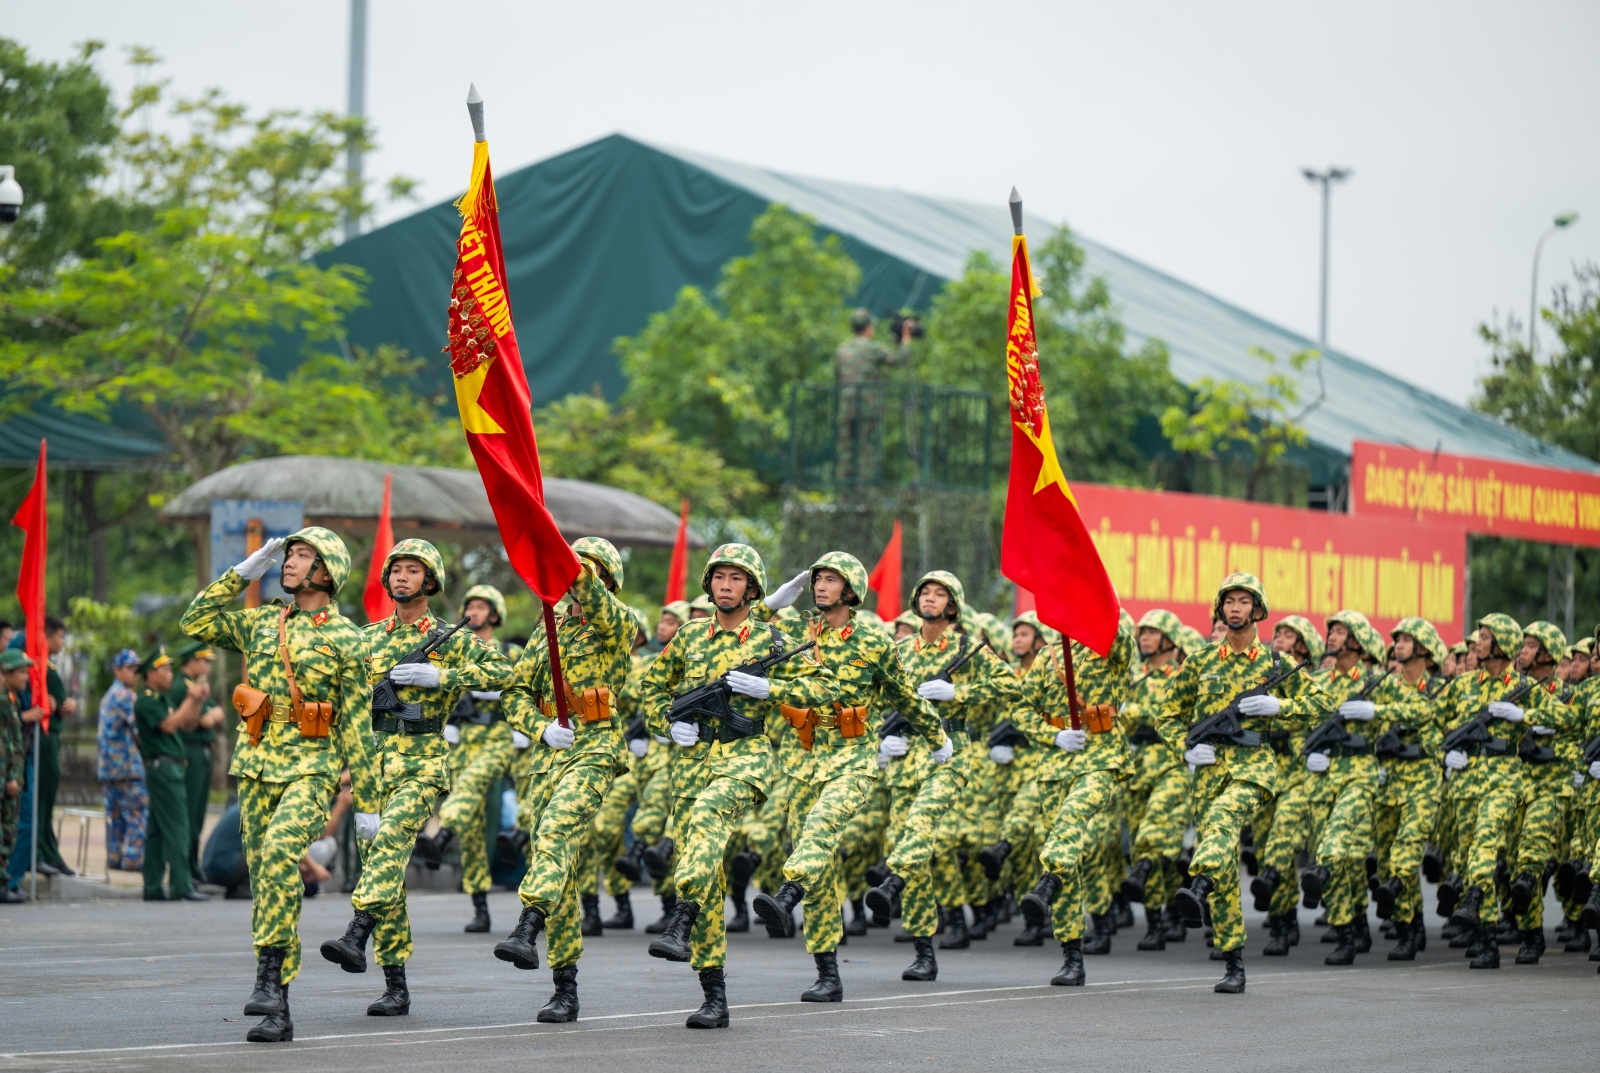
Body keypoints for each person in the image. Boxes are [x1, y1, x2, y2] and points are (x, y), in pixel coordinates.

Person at [181, 527, 381, 1043]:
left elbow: (358, 724)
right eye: (289, 555)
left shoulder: (347, 638)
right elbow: (195, 621)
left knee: (277, 857)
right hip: (256, 765)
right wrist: (244, 571)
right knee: (268, 880)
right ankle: (278, 1005)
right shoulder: (263, 621)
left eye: (302, 556)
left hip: (312, 768)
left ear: (326, 571)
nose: (289, 563)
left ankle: (267, 974)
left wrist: (368, 804)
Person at [639, 544, 837, 1029]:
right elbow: (650, 690)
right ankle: (714, 996)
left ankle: (681, 915)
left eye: (736, 578)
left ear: (752, 589)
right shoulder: (688, 637)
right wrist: (667, 725)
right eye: (719, 578)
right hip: (690, 764)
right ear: (709, 585)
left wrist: (773, 690)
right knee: (703, 867)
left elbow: (825, 687)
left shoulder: (772, 639)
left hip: (744, 758)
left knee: (707, 823)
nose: (726, 586)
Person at [320, 539, 511, 1018]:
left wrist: (442, 679)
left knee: (388, 849)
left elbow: (506, 671)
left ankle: (356, 930)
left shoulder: (452, 637)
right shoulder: (366, 637)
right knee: (386, 875)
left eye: (413, 571)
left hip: (422, 761)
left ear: (430, 581)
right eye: (397, 570)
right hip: (372, 765)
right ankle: (395, 985)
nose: (403, 577)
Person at [752, 552, 943, 1003]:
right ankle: (827, 972)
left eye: (830, 580)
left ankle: (787, 890)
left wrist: (938, 739)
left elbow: (905, 696)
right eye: (817, 578)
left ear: (851, 589)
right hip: (802, 756)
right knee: (819, 865)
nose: (820, 586)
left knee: (819, 834)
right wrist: (770, 605)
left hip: (853, 754)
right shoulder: (793, 630)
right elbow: (739, 635)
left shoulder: (874, 640)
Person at [1157, 573, 1327, 993]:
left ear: (1257, 610)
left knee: (1224, 818)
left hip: (1253, 765)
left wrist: (1279, 705)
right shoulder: (1199, 662)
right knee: (1224, 862)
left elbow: (1322, 704)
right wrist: (1185, 748)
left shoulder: (1275, 663)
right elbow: (1166, 714)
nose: (1235, 608)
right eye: (1229, 601)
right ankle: (1233, 962)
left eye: (1243, 601)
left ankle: (1196, 884)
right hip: (1210, 769)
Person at [491, 539, 633, 1025]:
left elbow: (590, 594)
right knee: (561, 870)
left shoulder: (617, 624)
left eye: (582, 572)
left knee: (553, 834)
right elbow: (513, 693)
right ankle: (564, 988)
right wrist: (538, 727)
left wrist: (565, 562)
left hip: (595, 749)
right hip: (551, 754)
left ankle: (527, 925)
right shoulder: (544, 631)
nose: (569, 580)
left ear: (606, 581)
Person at [865, 571, 1012, 981]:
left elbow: (1010, 686)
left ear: (952, 607)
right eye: (925, 592)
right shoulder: (898, 650)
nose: (930, 599)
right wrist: (880, 743)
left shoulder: (969, 649)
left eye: (940, 594)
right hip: (902, 758)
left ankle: (893, 882)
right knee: (912, 851)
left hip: (947, 756)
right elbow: (874, 699)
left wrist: (959, 694)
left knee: (921, 825)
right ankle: (923, 950)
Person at [1014, 610, 1135, 986]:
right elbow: (1020, 708)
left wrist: (1097, 608)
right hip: (1055, 765)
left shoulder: (1108, 649)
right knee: (1068, 860)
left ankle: (1047, 881)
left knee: (1071, 821)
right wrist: (1052, 735)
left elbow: (1125, 644)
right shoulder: (1048, 657)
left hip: (1100, 758)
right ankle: (1072, 955)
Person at [415, 584, 522, 934]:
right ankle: (479, 906)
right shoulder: (456, 651)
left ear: (494, 613)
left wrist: (524, 723)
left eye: (481, 606)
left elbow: (528, 685)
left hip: (498, 738)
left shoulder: (510, 651)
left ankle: (443, 832)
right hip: (464, 743)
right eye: (470, 605)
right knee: (474, 829)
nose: (474, 611)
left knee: (474, 784)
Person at [133, 645, 209, 903]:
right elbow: (168, 725)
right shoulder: (145, 699)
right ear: (150, 674)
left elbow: (186, 723)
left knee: (156, 830)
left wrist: (196, 701)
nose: (169, 673)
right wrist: (190, 699)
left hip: (171, 765)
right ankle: (181, 884)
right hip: (162, 766)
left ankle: (153, 885)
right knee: (179, 826)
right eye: (164, 669)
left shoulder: (162, 698)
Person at [834, 308, 914, 483]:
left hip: (846, 407)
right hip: (867, 408)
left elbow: (837, 377)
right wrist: (906, 340)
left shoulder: (842, 349)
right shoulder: (874, 348)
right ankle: (865, 496)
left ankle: (843, 495)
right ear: (869, 327)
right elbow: (897, 360)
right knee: (866, 451)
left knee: (846, 451)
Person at [172, 639, 227, 885]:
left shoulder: (199, 686)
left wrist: (211, 716)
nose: (207, 666)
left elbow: (217, 713)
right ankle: (186, 869)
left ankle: (193, 867)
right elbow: (197, 722)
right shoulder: (180, 687)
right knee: (188, 815)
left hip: (203, 752)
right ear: (192, 661)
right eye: (204, 661)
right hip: (189, 751)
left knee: (198, 815)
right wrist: (209, 716)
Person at [97, 649, 147, 873]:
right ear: (117, 670)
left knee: (115, 815)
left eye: (137, 668)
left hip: (108, 769)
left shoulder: (109, 695)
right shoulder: (126, 696)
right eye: (130, 668)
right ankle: (133, 858)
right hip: (126, 767)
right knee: (138, 811)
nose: (135, 673)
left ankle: (115, 856)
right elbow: (139, 732)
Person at [0, 649, 33, 902]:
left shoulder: (10, 698)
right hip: (5, 779)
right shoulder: (2, 700)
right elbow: (4, 744)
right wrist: (9, 777)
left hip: (10, 777)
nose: (25, 677)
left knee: (8, 831)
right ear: (7, 672)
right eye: (21, 672)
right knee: (4, 832)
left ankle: (3, 882)